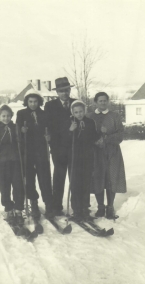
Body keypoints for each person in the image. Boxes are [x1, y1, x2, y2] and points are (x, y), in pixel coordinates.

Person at [16, 89, 53, 219]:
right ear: (26, 102)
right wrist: (21, 130)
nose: (33, 104)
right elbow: (17, 133)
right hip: (27, 151)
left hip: (41, 151)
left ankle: (49, 204)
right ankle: (34, 203)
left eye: (35, 101)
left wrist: (49, 137)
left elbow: (50, 130)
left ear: (39, 102)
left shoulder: (44, 114)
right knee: (30, 179)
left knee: (45, 178)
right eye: (30, 101)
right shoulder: (21, 114)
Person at [90, 92, 127, 219]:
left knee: (111, 177)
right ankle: (100, 207)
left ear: (108, 101)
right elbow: (86, 134)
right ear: (96, 102)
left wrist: (107, 138)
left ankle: (110, 207)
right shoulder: (90, 116)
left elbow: (121, 134)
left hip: (112, 152)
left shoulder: (115, 116)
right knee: (98, 177)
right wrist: (95, 140)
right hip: (96, 153)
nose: (103, 103)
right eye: (100, 101)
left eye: (105, 100)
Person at [61, 100, 99, 221]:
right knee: (75, 183)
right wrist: (70, 130)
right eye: (76, 112)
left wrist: (99, 137)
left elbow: (93, 137)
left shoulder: (90, 122)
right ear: (72, 112)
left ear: (85, 110)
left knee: (86, 183)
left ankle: (84, 208)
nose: (79, 114)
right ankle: (76, 209)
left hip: (87, 156)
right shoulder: (69, 122)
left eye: (81, 111)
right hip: (74, 157)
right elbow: (64, 141)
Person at [0, 104, 24, 225]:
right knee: (4, 187)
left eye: (8, 116)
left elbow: (22, 143)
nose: (6, 118)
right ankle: (8, 208)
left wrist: (22, 135)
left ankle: (18, 209)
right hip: (1, 162)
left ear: (11, 116)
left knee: (18, 186)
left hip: (15, 161)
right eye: (3, 116)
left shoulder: (15, 127)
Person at [44, 77, 76, 215]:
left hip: (74, 147)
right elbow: (49, 126)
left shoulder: (76, 103)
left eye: (66, 90)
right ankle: (56, 206)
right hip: (58, 148)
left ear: (70, 90)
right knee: (59, 177)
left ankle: (78, 206)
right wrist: (51, 142)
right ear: (57, 92)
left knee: (75, 177)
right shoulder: (50, 106)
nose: (64, 93)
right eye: (61, 91)